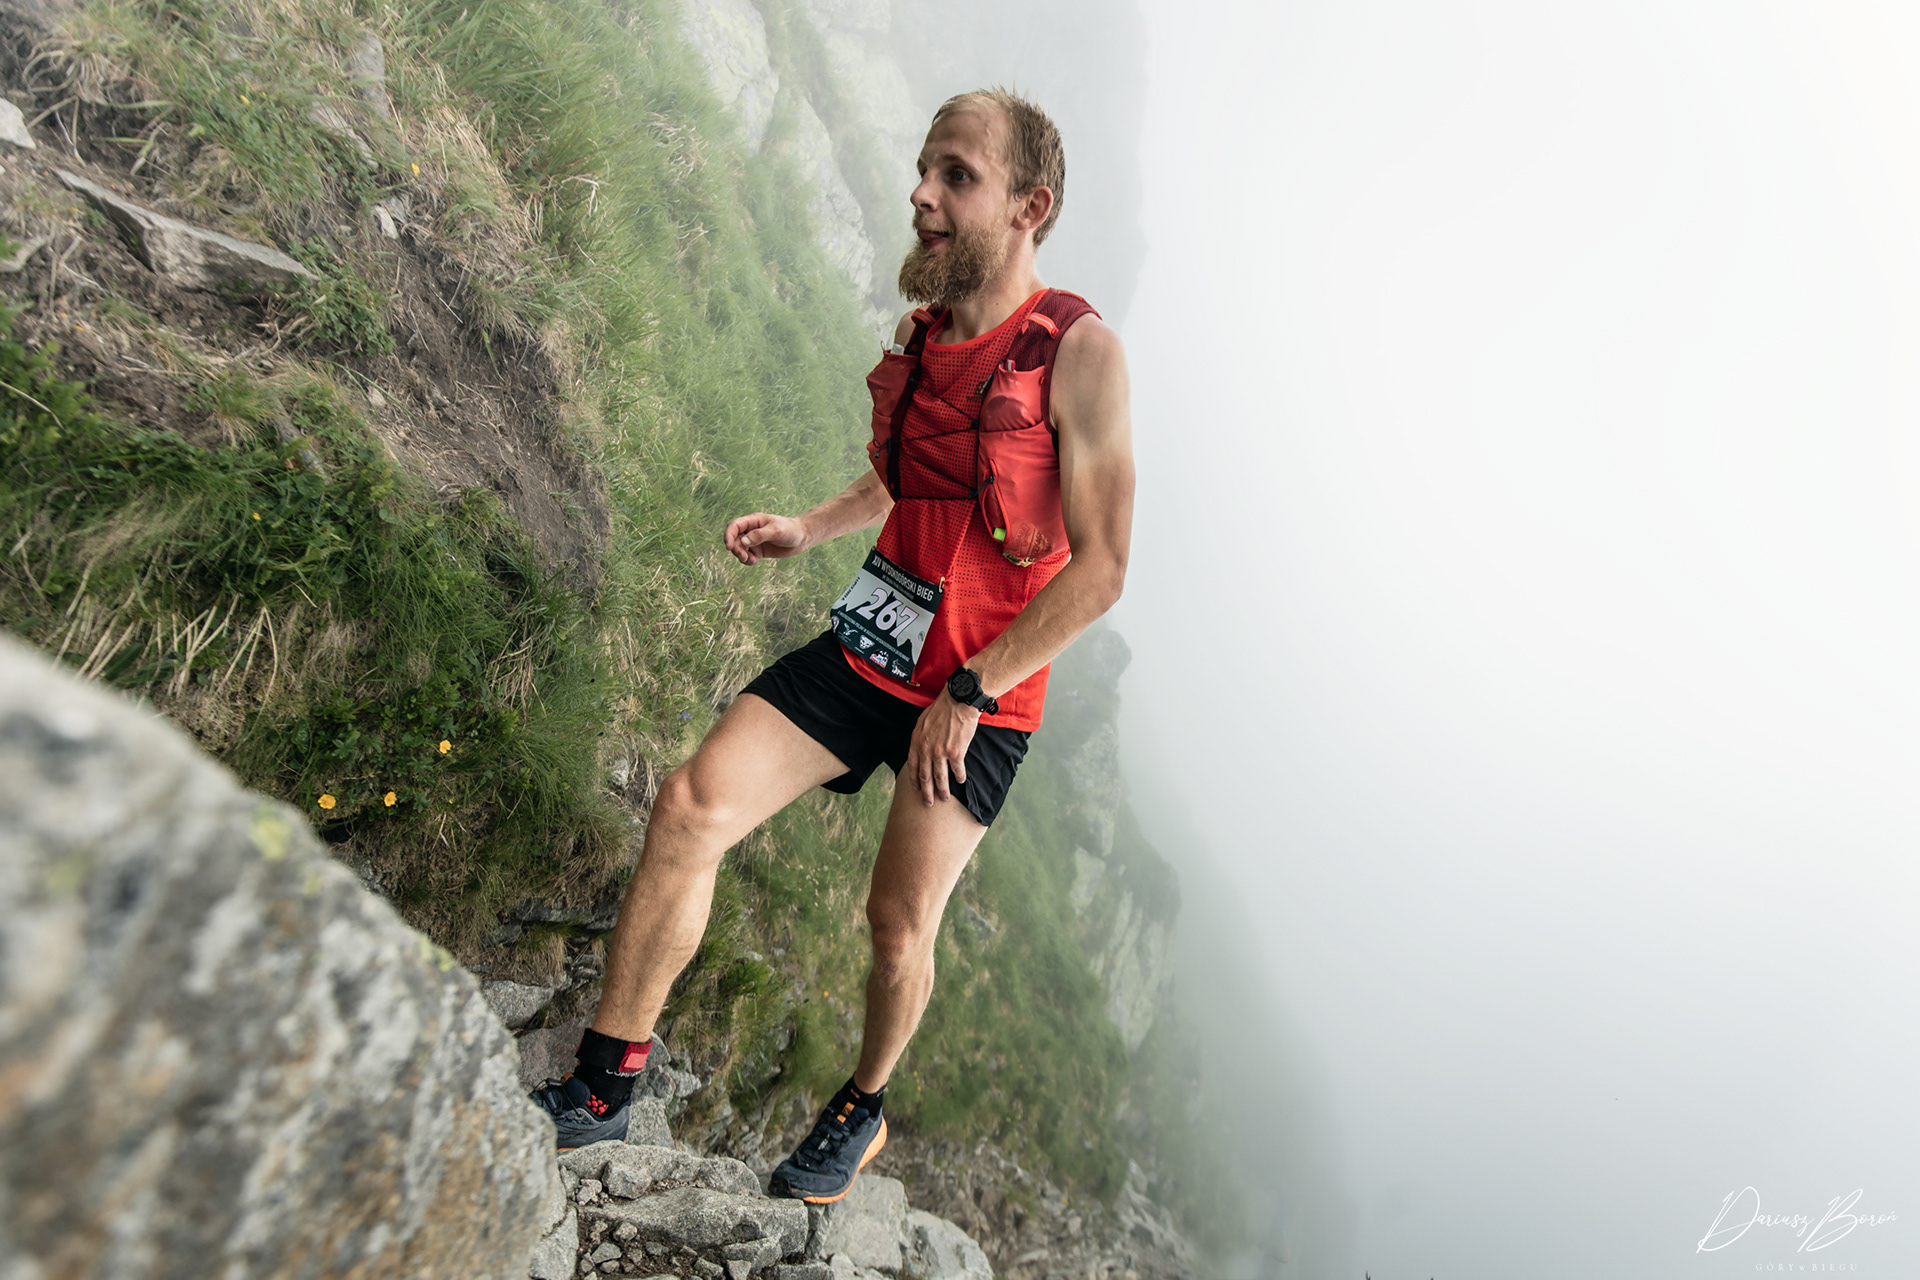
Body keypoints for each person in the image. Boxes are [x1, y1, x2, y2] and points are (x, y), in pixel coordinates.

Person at [531, 87, 1135, 1205]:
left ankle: (862, 1105)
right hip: (874, 646)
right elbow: (911, 475)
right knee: (690, 806)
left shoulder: (1079, 353)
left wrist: (971, 687)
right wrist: (809, 526)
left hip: (980, 696)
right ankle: (603, 1084)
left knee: (896, 929)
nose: (922, 194)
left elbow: (1102, 568)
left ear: (1030, 206)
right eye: (924, 169)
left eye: (957, 176)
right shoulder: (922, 337)